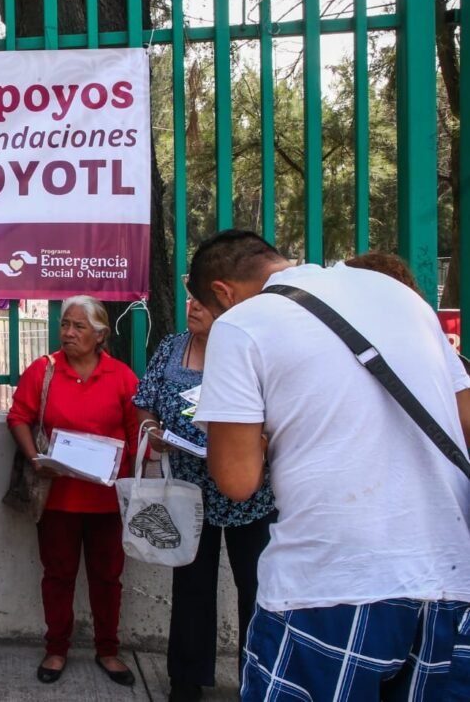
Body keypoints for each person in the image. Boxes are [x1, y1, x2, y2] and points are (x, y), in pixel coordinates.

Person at [188, 229, 470, 700]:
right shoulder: (397, 295)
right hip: (449, 580)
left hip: (328, 586)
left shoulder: (242, 323)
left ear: (222, 292)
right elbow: (463, 421)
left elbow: (237, 481)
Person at [134, 295, 276, 702]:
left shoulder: (251, 350)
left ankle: (258, 677)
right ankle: (186, 678)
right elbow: (144, 404)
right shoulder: (172, 347)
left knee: (256, 587)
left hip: (248, 493)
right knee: (192, 585)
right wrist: (154, 432)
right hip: (188, 489)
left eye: (203, 302)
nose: (192, 306)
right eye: (190, 298)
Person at [7, 295, 139, 687]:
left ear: (100, 334)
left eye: (79, 327)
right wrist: (35, 458)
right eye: (65, 324)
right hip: (58, 496)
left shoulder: (121, 376)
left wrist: (125, 472)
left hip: (106, 499)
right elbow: (18, 417)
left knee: (108, 577)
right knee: (58, 574)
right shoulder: (44, 370)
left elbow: (135, 433)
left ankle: (108, 650)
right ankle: (57, 647)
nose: (68, 333)